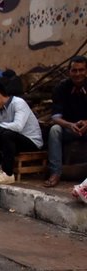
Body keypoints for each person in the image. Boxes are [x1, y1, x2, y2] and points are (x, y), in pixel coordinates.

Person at [0, 82, 43, 184]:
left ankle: (8, 174)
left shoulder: (18, 103)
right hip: (13, 141)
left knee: (8, 134)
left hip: (31, 141)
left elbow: (17, 127)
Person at [44, 55, 87, 188]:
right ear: (69, 72)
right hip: (69, 128)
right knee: (54, 130)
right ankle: (56, 172)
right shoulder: (61, 88)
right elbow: (55, 117)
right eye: (74, 70)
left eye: (81, 70)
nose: (78, 74)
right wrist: (70, 125)